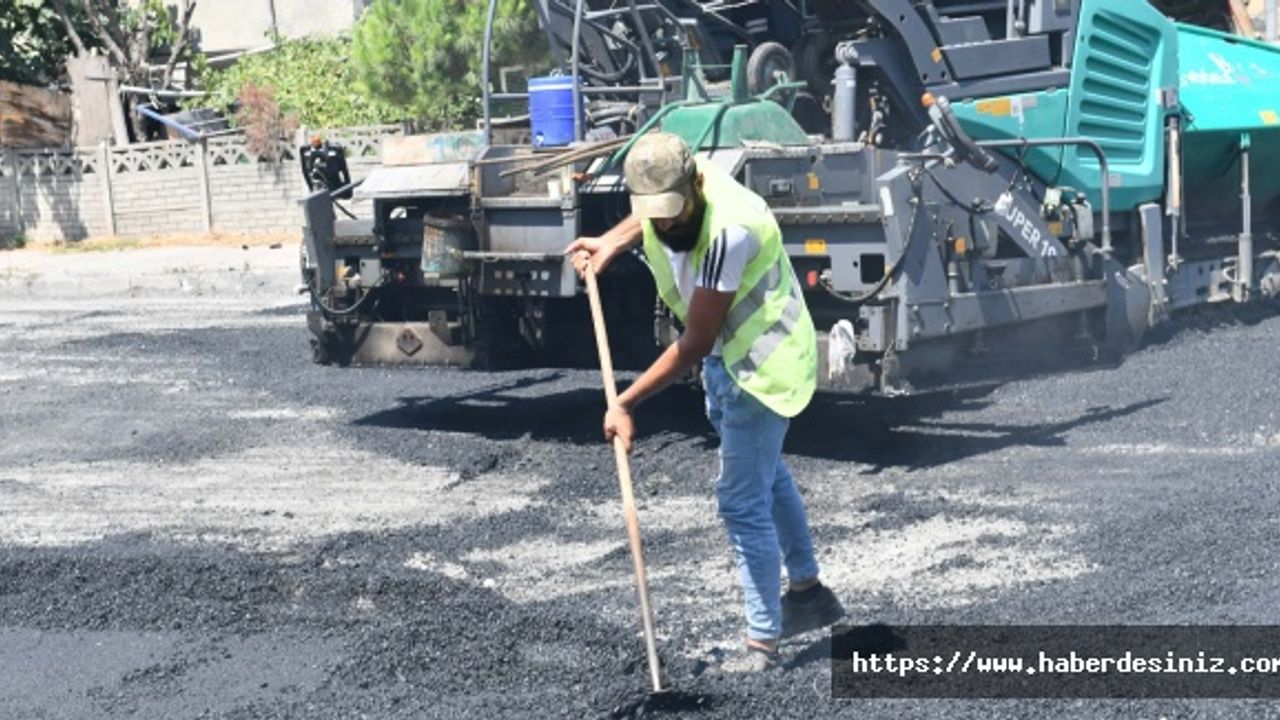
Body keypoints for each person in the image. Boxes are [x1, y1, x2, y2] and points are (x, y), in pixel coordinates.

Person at [566, 132, 844, 671]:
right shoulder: (676, 185)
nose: (666, 225)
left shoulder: (729, 231)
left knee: (741, 501)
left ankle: (762, 644)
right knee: (768, 474)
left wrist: (624, 402)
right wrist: (611, 242)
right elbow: (651, 215)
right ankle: (808, 593)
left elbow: (693, 343)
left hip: (761, 366)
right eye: (655, 214)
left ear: (694, 184)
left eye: (673, 212)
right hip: (733, 358)